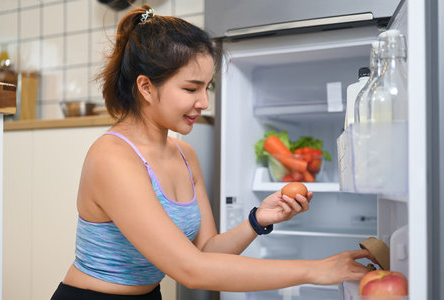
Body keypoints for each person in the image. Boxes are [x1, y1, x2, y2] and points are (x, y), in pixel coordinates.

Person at [51, 4, 374, 300]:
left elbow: (205, 252)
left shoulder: (184, 154)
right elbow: (191, 271)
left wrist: (258, 220)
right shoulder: (113, 157)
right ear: (146, 86)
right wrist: (316, 269)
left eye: (208, 87)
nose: (204, 102)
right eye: (191, 88)